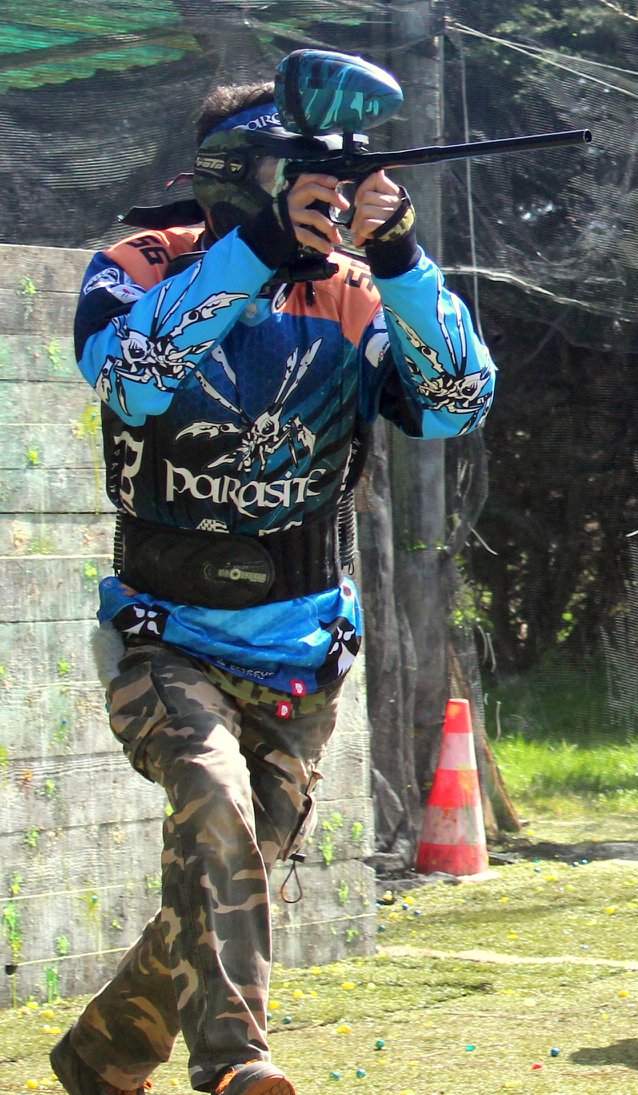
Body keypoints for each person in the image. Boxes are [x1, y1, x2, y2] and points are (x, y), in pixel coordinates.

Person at [50, 72, 495, 1095]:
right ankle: (235, 1066)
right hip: (164, 632)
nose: (327, 202)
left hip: (302, 653)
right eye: (298, 177)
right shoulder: (141, 264)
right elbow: (131, 378)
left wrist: (401, 259)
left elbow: (455, 401)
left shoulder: (358, 287)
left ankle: (101, 1059)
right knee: (215, 815)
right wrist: (257, 248)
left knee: (226, 880)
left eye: (335, 182)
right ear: (232, 177)